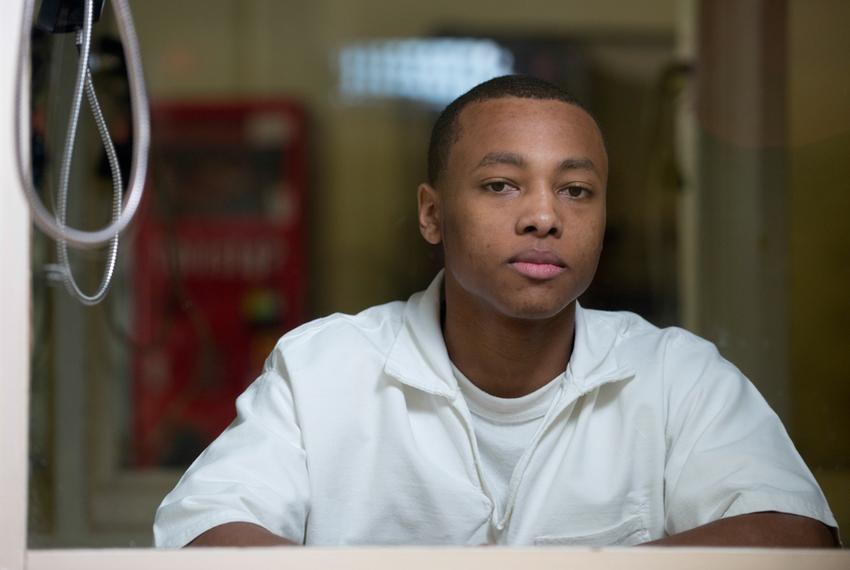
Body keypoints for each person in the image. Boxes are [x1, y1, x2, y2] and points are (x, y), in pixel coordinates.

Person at [153, 75, 838, 548]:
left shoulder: (674, 376)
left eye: (576, 190)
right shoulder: (325, 370)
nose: (544, 216)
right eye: (501, 185)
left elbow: (797, 535)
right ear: (432, 214)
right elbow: (205, 530)